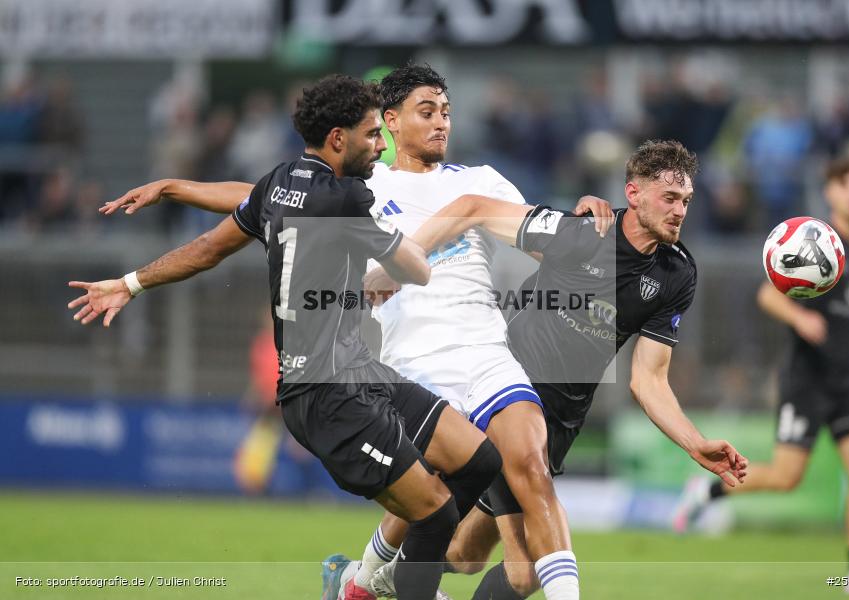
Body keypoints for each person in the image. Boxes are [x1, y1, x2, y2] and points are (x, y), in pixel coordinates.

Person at [100, 64, 606, 600]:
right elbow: (261, 195)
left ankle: (367, 581)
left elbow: (536, 231)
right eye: (427, 112)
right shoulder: (362, 181)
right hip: (411, 359)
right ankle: (366, 581)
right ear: (390, 121)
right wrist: (179, 188)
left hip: (484, 351)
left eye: (447, 113)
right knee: (448, 528)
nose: (442, 124)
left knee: (524, 466)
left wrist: (583, 215)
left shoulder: (480, 181)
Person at [361, 139, 748, 599]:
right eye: (669, 198)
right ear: (634, 193)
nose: (679, 210)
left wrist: (695, 443)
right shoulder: (583, 232)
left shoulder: (676, 275)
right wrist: (397, 262)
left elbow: (648, 379)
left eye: (685, 200)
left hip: (563, 418)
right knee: (523, 572)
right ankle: (372, 577)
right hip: (507, 393)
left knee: (465, 552)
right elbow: (472, 206)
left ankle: (372, 576)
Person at [673, 158, 849, 595]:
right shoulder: (810, 242)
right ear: (831, 194)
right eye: (847, 185)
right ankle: (707, 491)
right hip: (807, 380)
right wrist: (799, 318)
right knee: (785, 476)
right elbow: (767, 294)